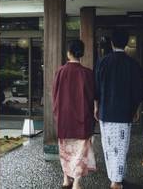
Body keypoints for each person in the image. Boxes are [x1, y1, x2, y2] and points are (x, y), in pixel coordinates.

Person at [94, 29, 143, 189]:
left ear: (112, 43)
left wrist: (96, 106)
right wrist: (136, 109)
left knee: (108, 147)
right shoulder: (133, 64)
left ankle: (115, 179)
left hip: (105, 111)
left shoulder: (102, 62)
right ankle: (116, 181)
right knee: (121, 147)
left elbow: (96, 88)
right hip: (124, 112)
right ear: (126, 43)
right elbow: (138, 91)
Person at [52, 39, 96, 189]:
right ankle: (76, 182)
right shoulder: (87, 73)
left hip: (64, 118)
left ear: (68, 53)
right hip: (82, 118)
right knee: (79, 152)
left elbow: (55, 95)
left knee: (65, 150)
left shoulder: (60, 71)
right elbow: (92, 97)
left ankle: (66, 179)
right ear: (81, 53)